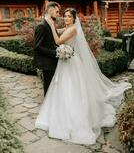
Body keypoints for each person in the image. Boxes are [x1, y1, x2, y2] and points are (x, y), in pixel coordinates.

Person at [35, 8, 131, 145]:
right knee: (61, 88)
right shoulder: (66, 28)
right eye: (65, 16)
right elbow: (56, 33)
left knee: (71, 88)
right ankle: (60, 116)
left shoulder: (73, 29)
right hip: (64, 63)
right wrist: (50, 25)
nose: (66, 18)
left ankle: (76, 120)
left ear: (74, 19)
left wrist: (51, 25)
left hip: (71, 63)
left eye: (69, 17)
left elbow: (58, 41)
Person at [33, 1, 60, 96]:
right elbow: (37, 47)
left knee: (53, 87)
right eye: (57, 12)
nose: (58, 14)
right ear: (50, 11)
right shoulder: (42, 26)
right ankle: (47, 108)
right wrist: (55, 52)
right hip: (47, 63)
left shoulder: (50, 24)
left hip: (52, 61)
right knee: (48, 88)